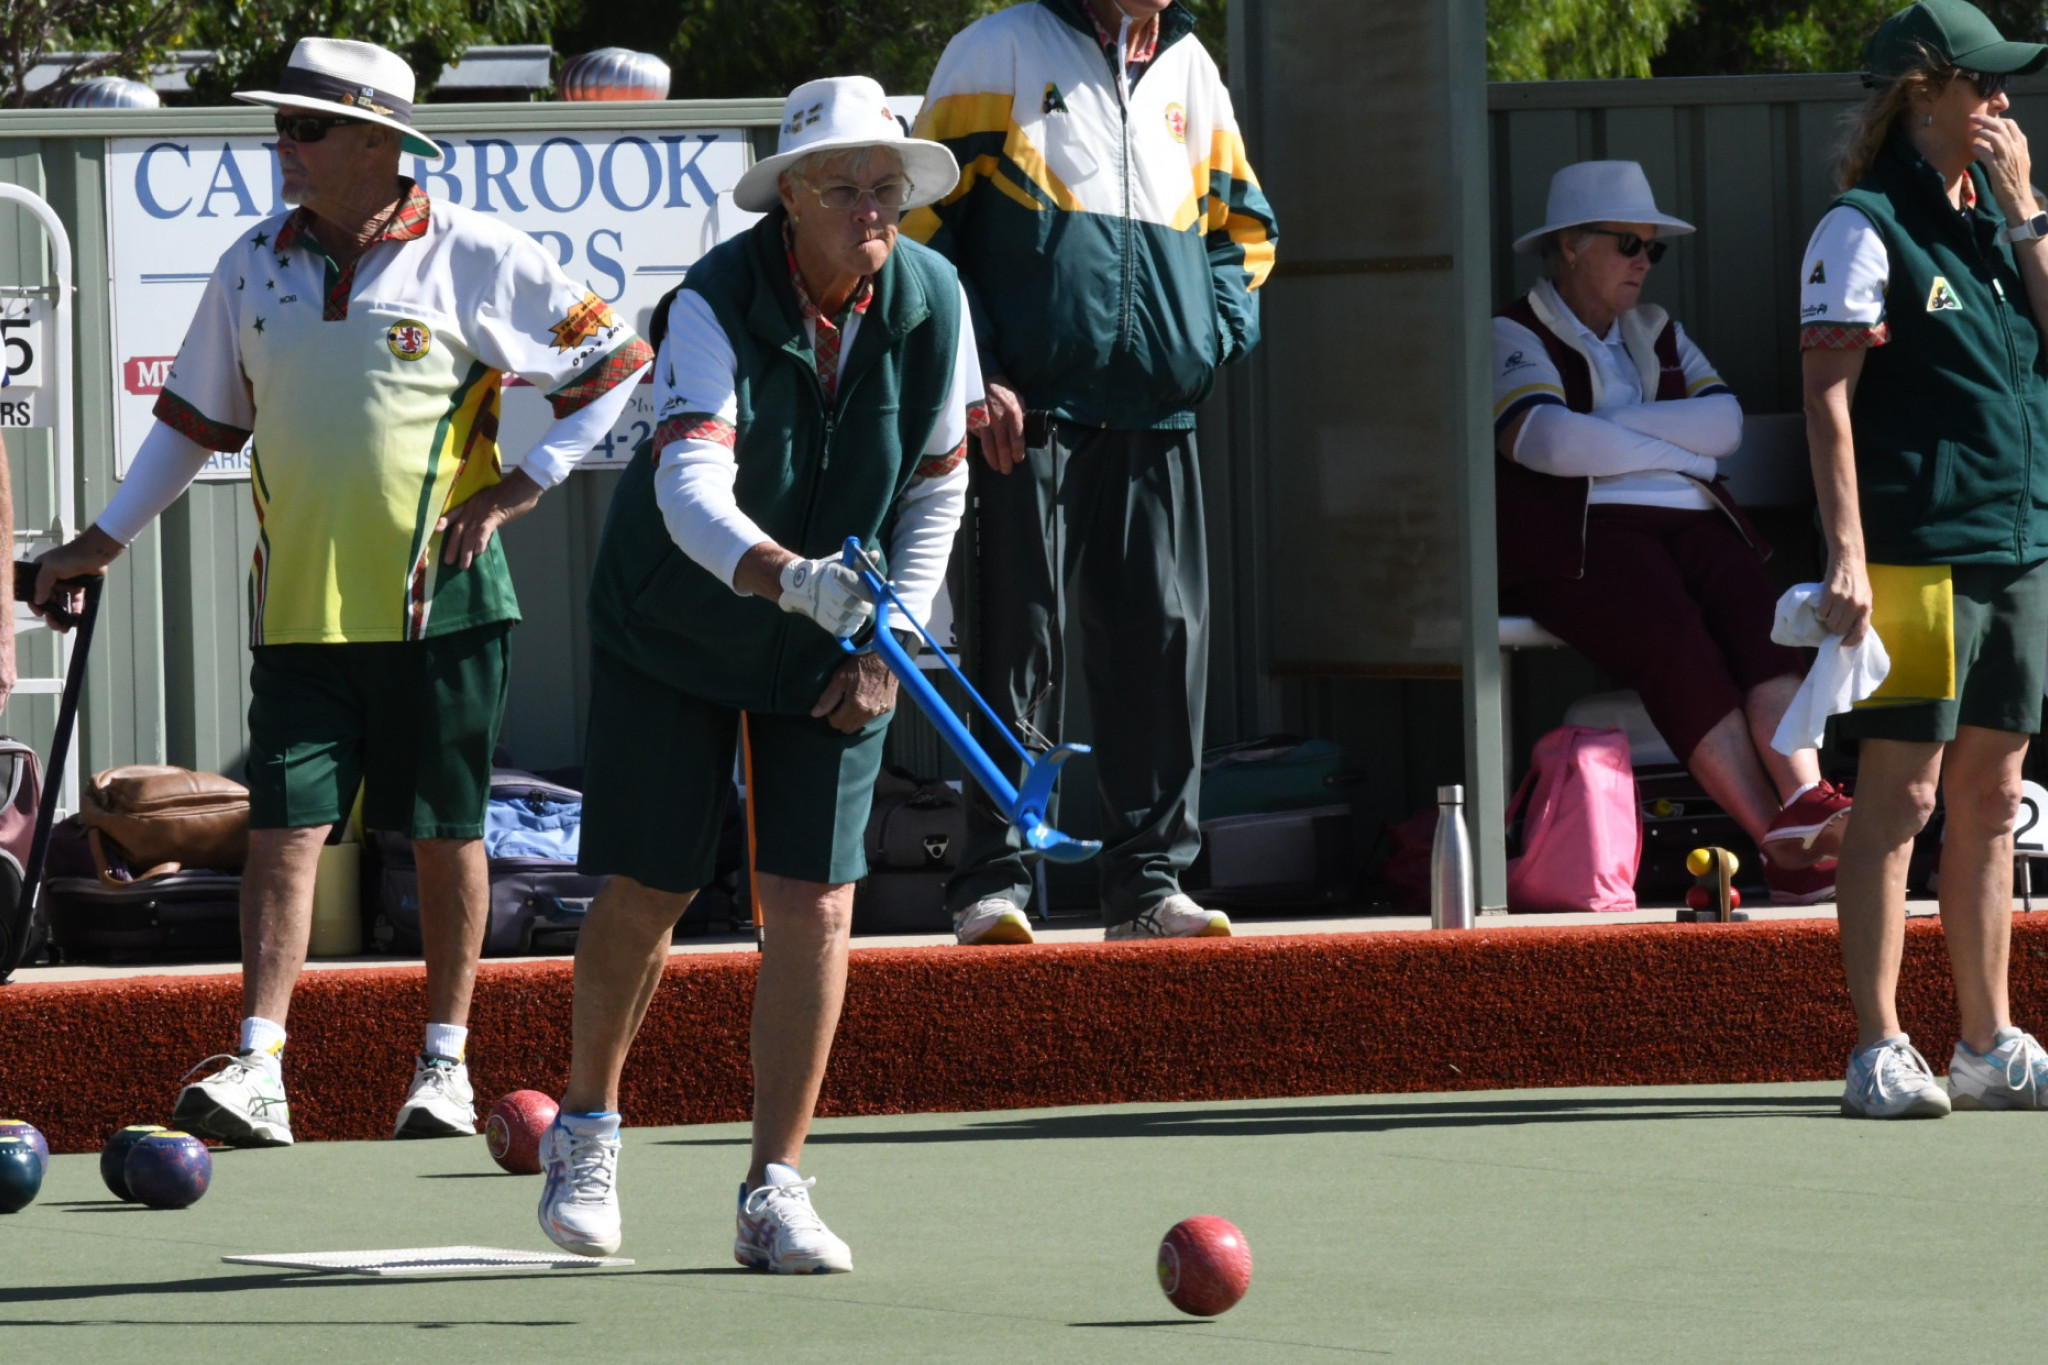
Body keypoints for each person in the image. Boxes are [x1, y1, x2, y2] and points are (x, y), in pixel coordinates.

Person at [31, 38, 652, 1145]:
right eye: (282, 126)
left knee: (444, 832)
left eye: (308, 129)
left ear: (380, 139)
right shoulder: (249, 260)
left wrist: (520, 485)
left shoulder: (475, 252)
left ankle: (444, 1066)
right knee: (281, 832)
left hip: (446, 604)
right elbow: (190, 427)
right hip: (298, 608)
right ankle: (261, 1063)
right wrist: (102, 540)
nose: (286, 147)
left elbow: (614, 362)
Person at [535, 77, 980, 1272]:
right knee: (654, 887)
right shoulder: (710, 303)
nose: (873, 207)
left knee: (817, 902)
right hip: (677, 622)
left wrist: (892, 637)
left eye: (888, 186)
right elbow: (689, 489)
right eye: (845, 186)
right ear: (790, 197)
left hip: (838, 633)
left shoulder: (936, 298)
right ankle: (585, 1125)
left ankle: (772, 1189)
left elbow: (939, 481)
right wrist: (788, 578)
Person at [907, 0, 1278, 946]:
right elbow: (919, 231)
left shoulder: (1192, 67)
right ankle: (992, 884)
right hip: (1022, 414)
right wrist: (979, 367)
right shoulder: (995, 48)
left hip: (1158, 409)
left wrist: (1205, 338)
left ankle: (1148, 885)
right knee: (1014, 641)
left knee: (1164, 641)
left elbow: (1246, 231)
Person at [1799, 0, 2048, 1118]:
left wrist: (2026, 211)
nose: (2002, 101)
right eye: (1982, 84)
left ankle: (1986, 1043)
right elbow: (1824, 400)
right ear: (1921, 92)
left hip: (2016, 542)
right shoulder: (1858, 224)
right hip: (1913, 555)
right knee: (1896, 796)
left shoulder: (2001, 224)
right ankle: (1878, 1045)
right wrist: (1845, 555)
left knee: (1992, 799)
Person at [1494, 160, 1852, 906]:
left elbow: (1723, 428)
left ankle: (1810, 807)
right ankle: (1776, 842)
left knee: (1765, 626)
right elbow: (1545, 443)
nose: (1642, 263)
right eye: (1627, 243)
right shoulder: (1512, 332)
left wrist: (1609, 433)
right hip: (1582, 541)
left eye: (1653, 248)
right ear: (1568, 246)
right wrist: (1672, 446)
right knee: (1674, 639)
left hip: (1694, 524)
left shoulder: (1656, 330)